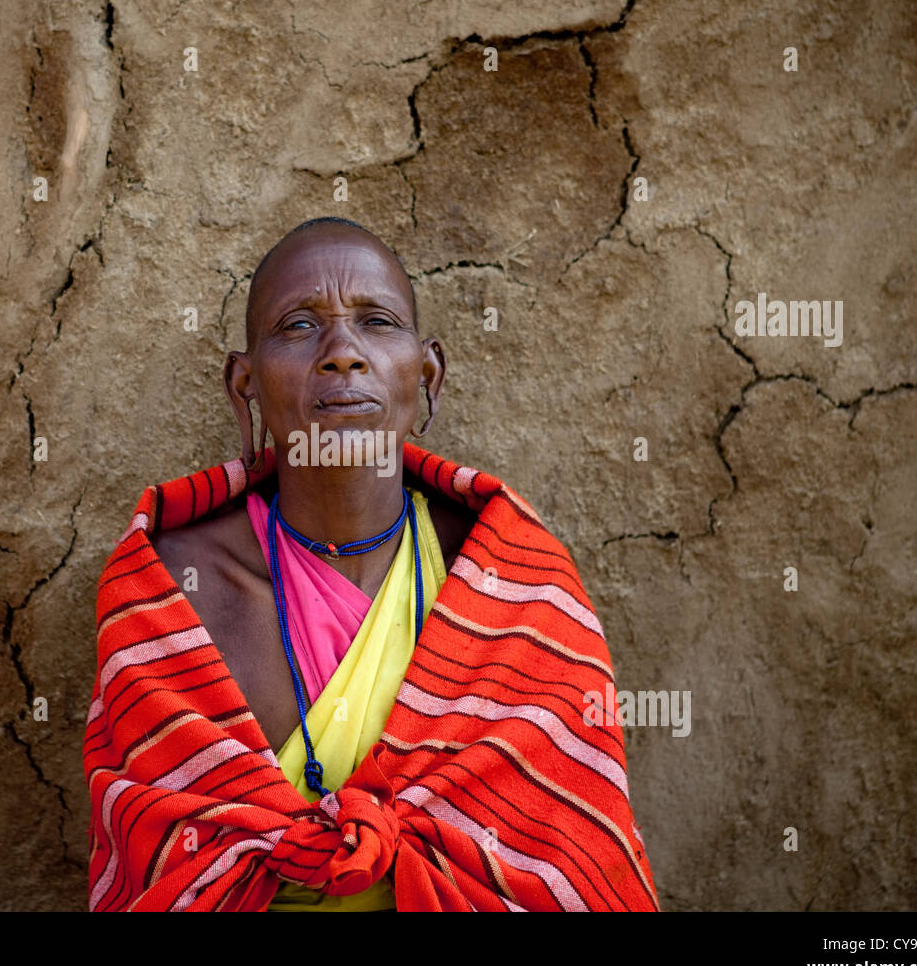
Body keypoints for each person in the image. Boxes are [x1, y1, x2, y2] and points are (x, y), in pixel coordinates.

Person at [84, 217, 659, 911]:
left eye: (377, 322)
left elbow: (570, 862)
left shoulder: (513, 581)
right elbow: (159, 871)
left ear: (428, 375)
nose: (342, 353)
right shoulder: (169, 590)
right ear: (245, 387)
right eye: (298, 325)